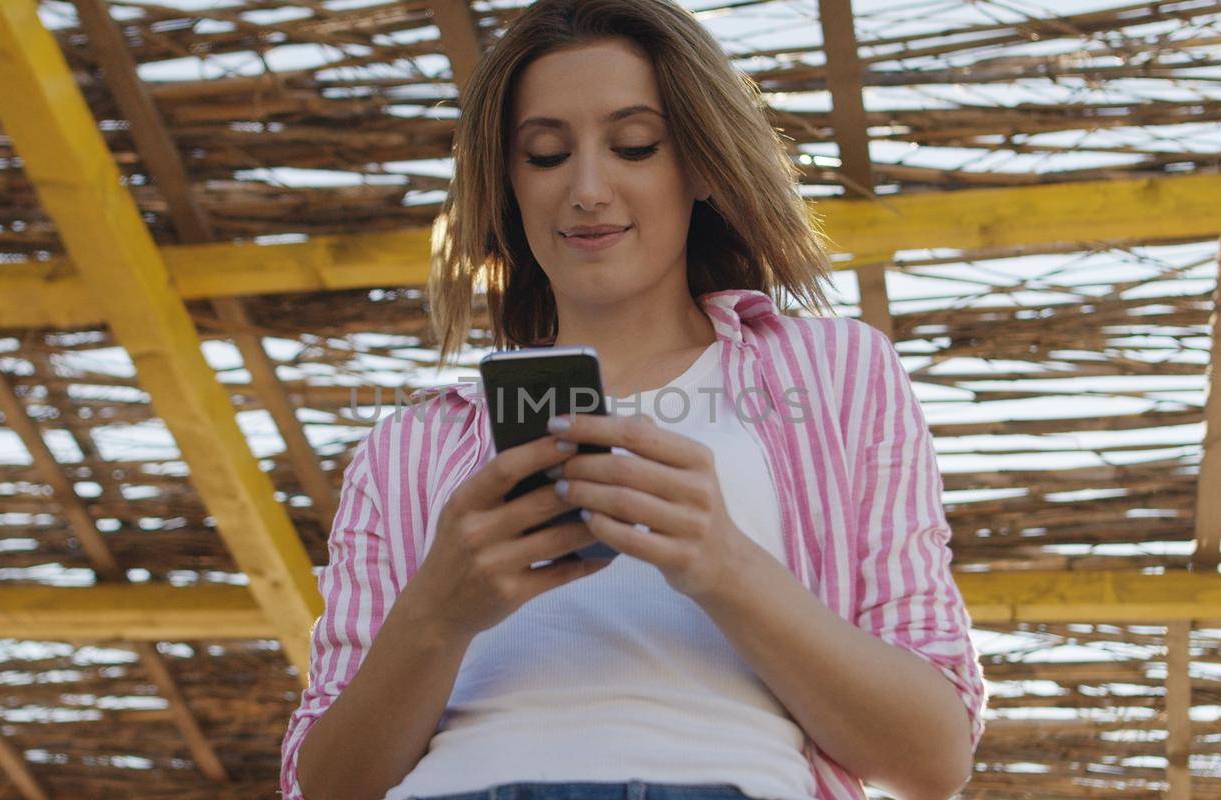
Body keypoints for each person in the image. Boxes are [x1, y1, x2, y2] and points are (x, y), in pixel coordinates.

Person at [280, 1, 986, 798]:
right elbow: (322, 785)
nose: (587, 189)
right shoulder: (409, 448)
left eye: (634, 146)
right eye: (544, 155)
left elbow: (933, 756)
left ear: (703, 164)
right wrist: (437, 616)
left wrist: (725, 565)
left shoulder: (835, 375)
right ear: (508, 186)